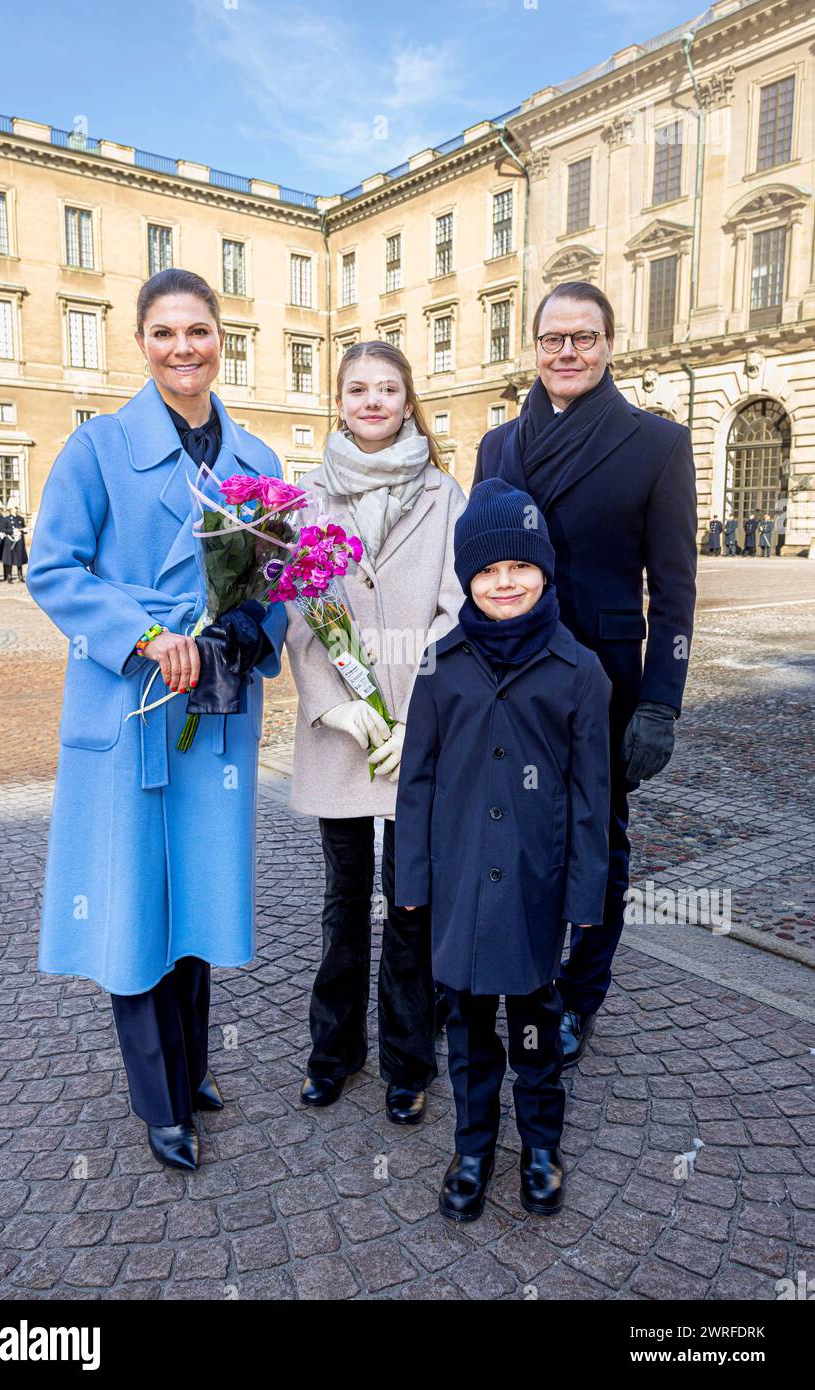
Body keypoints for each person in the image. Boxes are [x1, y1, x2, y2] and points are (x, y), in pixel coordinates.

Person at [27, 268, 287, 1172]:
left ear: (223, 340)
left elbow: (276, 578)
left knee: (200, 892)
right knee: (138, 897)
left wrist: (255, 625)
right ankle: (159, 1098)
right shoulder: (95, 448)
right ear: (141, 342)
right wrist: (142, 634)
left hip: (213, 708)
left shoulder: (258, 461)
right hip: (129, 706)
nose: (185, 347)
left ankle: (194, 1065)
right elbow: (54, 570)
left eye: (201, 331)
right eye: (167, 332)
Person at [472, 281, 696, 1069]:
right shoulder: (498, 447)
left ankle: (581, 991)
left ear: (609, 345)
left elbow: (673, 588)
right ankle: (517, 972)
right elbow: (478, 569)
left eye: (584, 338)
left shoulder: (657, 444)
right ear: (533, 346)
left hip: (604, 683)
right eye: (552, 339)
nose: (567, 352)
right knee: (515, 830)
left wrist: (662, 703)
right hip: (510, 677)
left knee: (597, 845)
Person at [395, 479, 611, 1221]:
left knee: (534, 1026)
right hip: (457, 886)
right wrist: (411, 880)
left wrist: (585, 896)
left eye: (519, 566)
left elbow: (592, 799)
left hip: (532, 886)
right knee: (468, 1030)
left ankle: (542, 1147)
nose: (505, 582)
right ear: (468, 581)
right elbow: (416, 783)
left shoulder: (578, 671)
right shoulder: (439, 664)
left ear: (544, 570)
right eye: (487, 571)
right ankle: (474, 1145)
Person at [285, 341, 466, 1123]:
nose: (371, 401)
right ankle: (333, 1051)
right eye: (357, 388)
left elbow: (462, 607)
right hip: (343, 735)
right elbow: (294, 605)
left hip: (416, 736)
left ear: (406, 398)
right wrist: (333, 704)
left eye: (386, 388)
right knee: (343, 896)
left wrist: (420, 715)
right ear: (338, 400)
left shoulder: (445, 495)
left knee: (411, 902)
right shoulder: (305, 500)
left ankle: (407, 1056)